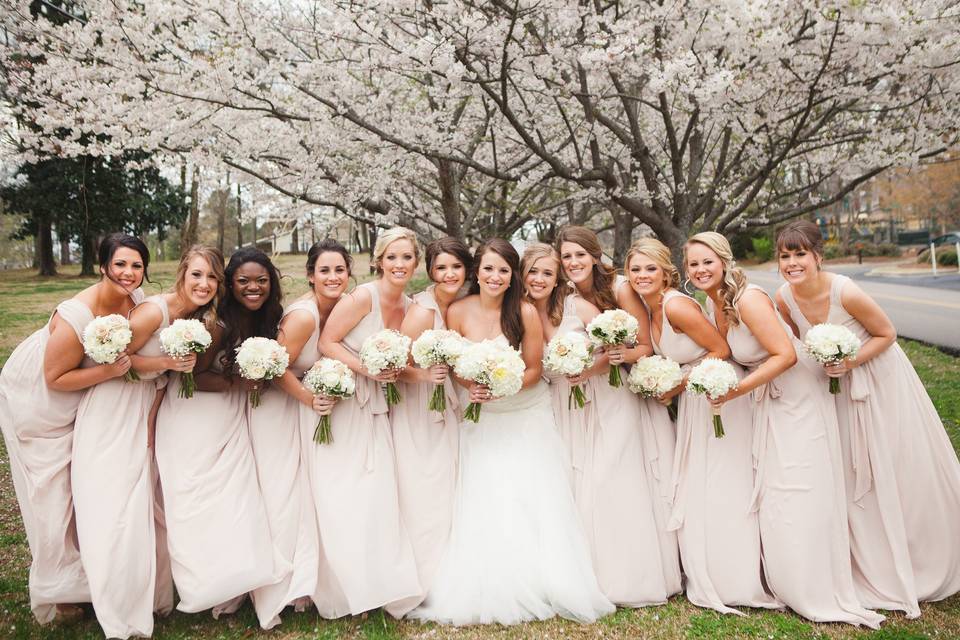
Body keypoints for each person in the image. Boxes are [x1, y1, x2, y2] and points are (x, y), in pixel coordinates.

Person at [410, 238, 614, 625]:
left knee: (532, 495)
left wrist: (502, 385)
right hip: (481, 415)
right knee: (487, 494)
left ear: (511, 276)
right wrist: (471, 386)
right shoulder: (457, 311)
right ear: (478, 272)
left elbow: (534, 370)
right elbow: (454, 363)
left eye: (503, 270)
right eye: (488, 269)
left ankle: (543, 580)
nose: (495, 276)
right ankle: (490, 577)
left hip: (525, 412)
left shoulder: (523, 312)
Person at [686, 232, 883, 627]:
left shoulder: (748, 298)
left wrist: (735, 390)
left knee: (799, 489)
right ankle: (787, 580)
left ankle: (815, 587)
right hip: (770, 401)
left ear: (724, 261)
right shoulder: (716, 300)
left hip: (798, 399)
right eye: (693, 264)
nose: (700, 269)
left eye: (708, 261)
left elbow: (787, 354)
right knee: (778, 493)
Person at [775, 219, 960, 614]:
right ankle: (865, 558)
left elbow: (887, 333)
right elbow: (799, 344)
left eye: (800, 254)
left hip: (877, 381)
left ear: (817, 256)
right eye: (785, 256)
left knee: (890, 463)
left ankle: (917, 554)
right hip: (834, 389)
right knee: (850, 469)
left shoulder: (846, 290)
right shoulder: (783, 299)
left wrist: (849, 360)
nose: (792, 263)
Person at [72, 245, 221, 638]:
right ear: (182, 275)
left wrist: (154, 420)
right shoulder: (156, 310)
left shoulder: (196, 317)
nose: (204, 284)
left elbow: (156, 382)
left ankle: (150, 595)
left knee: (145, 507)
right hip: (112, 408)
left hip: (145, 411)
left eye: (211, 277)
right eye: (197, 275)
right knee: (115, 509)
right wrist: (167, 364)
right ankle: (114, 606)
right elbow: (118, 361)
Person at [623, 238, 779, 615]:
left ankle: (736, 577)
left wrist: (678, 381)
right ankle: (712, 568)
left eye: (650, 269)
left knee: (724, 484)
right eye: (635, 269)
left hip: (716, 399)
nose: (642, 276)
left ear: (666, 273)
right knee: (705, 485)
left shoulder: (676, 306)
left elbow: (721, 351)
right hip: (696, 401)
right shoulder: (652, 307)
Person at [0, 233, 146, 624]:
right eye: (120, 264)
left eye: (136, 265)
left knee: (82, 487)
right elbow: (54, 377)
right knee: (51, 494)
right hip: (39, 400)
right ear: (103, 267)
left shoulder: (137, 302)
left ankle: (89, 578)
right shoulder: (74, 315)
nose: (128, 273)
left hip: (80, 398)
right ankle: (58, 590)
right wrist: (107, 371)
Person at [523, 242, 678, 606]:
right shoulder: (520, 313)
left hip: (607, 399)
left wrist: (589, 367)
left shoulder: (578, 306)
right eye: (533, 272)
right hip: (563, 407)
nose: (540, 279)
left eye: (547, 272)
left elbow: (621, 349)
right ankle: (586, 572)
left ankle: (628, 576)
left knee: (611, 481)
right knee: (578, 487)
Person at [153, 247, 280, 620]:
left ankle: (234, 580)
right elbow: (192, 376)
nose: (252, 288)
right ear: (231, 285)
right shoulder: (217, 324)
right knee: (198, 500)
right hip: (195, 417)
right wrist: (238, 381)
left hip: (228, 417)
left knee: (233, 501)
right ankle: (205, 583)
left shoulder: (259, 320)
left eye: (260, 281)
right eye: (242, 282)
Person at [313, 227, 422, 617]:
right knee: (347, 491)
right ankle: (343, 590)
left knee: (377, 493)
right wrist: (367, 370)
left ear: (416, 262)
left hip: (379, 407)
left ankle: (378, 582)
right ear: (378, 261)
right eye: (392, 257)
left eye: (406, 257)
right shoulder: (363, 297)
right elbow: (327, 341)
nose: (399, 265)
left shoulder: (411, 305)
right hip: (348, 402)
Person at [248, 239, 348, 626]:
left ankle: (304, 582)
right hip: (279, 409)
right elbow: (275, 369)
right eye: (324, 270)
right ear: (311, 275)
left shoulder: (340, 307)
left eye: (339, 270)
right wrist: (309, 398)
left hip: (301, 409)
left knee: (305, 497)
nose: (333, 277)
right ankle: (278, 585)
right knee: (283, 496)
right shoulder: (304, 316)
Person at [393, 237, 470, 609]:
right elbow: (395, 368)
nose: (449, 274)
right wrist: (427, 377)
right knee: (427, 489)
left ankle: (448, 574)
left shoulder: (460, 305)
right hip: (420, 408)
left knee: (448, 488)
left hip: (449, 406)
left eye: (456, 266)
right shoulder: (423, 311)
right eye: (441, 268)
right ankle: (422, 582)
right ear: (430, 272)